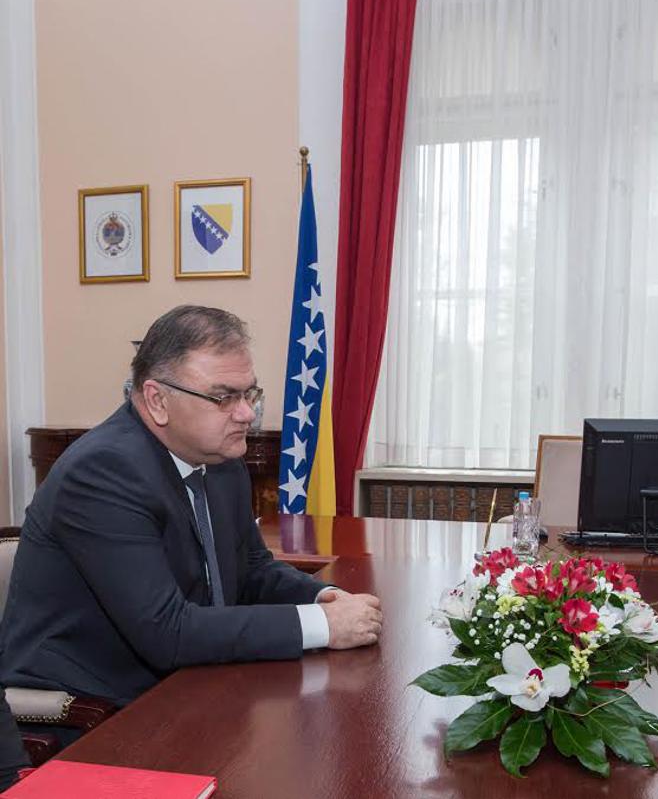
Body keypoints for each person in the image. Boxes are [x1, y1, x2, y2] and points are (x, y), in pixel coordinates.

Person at [0, 306, 383, 716]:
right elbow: (167, 631)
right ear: (157, 400)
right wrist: (323, 625)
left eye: (250, 393)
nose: (247, 414)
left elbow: (252, 570)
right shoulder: (102, 472)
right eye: (224, 397)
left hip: (188, 686)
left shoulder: (220, 460)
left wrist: (325, 597)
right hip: (90, 711)